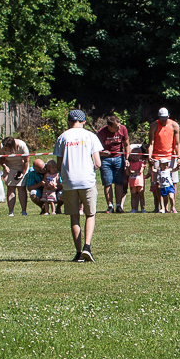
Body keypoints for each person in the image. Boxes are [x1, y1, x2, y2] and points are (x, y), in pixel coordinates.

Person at [55, 109, 104, 261]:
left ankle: (78, 253)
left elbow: (58, 164)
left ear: (69, 122)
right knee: (90, 214)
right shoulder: (90, 136)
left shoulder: (62, 137)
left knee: (74, 216)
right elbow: (98, 163)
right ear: (84, 121)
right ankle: (87, 247)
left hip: (69, 181)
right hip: (87, 180)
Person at [97, 113, 131, 212]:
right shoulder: (102, 132)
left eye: (119, 125)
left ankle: (118, 206)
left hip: (119, 158)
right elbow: (96, 148)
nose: (119, 128)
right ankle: (110, 205)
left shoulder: (123, 129)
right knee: (107, 183)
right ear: (109, 126)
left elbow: (127, 144)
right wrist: (102, 153)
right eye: (116, 127)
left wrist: (126, 159)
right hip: (105, 159)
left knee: (119, 182)